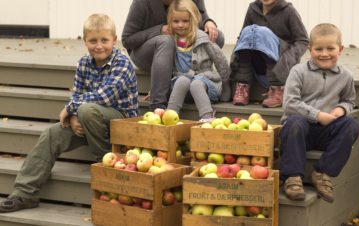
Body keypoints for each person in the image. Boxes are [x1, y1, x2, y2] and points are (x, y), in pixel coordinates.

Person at [0, 13, 139, 213]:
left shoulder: (122, 64)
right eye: (93, 41)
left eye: (104, 40)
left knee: (86, 109)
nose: (98, 46)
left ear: (114, 41)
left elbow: (105, 97)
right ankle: (25, 193)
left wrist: (72, 109)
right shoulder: (84, 63)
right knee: (52, 134)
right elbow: (78, 93)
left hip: (120, 123)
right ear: (85, 42)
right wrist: (73, 116)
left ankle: (106, 162)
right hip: (88, 120)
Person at [280, 23, 359, 203]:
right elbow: (290, 103)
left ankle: (322, 173)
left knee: (351, 126)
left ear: (340, 49)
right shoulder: (298, 71)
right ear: (309, 50)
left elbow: (349, 100)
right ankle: (292, 178)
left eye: (330, 48)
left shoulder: (345, 76)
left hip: (326, 131)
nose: (324, 53)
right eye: (318, 49)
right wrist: (317, 115)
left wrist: (342, 109)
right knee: (294, 123)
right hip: (300, 131)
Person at [122, 0, 225, 111]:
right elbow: (127, 40)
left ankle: (195, 78)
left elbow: (199, 18)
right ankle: (158, 105)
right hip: (146, 52)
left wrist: (208, 22)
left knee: (216, 36)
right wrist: (159, 30)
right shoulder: (141, 3)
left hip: (180, 51)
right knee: (166, 41)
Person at [230, 0, 308, 107]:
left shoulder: (289, 11)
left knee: (263, 32)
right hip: (258, 67)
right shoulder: (252, 9)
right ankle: (243, 86)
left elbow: (303, 41)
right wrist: (234, 60)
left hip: (280, 70)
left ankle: (277, 89)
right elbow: (243, 37)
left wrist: (286, 61)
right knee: (248, 31)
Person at [166, 0, 229, 122]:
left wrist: (226, 86)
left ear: (194, 20)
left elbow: (220, 60)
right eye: (176, 21)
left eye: (185, 21)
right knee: (182, 80)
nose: (180, 25)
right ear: (170, 21)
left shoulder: (202, 38)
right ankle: (170, 115)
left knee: (196, 83)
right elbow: (165, 65)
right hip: (183, 87)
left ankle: (207, 117)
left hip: (205, 85)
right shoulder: (170, 40)